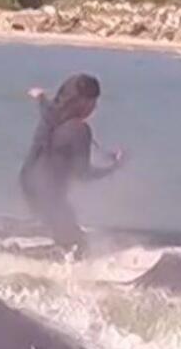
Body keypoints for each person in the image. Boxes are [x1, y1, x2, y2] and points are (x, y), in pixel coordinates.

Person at [18, 73, 124, 256]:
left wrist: (40, 96)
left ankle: (13, 246)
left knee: (66, 236)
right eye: (93, 102)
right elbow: (83, 174)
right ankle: (12, 256)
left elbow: (45, 106)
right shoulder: (79, 129)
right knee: (77, 247)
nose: (95, 107)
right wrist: (114, 168)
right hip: (49, 194)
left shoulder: (52, 115)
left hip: (29, 183)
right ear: (83, 103)